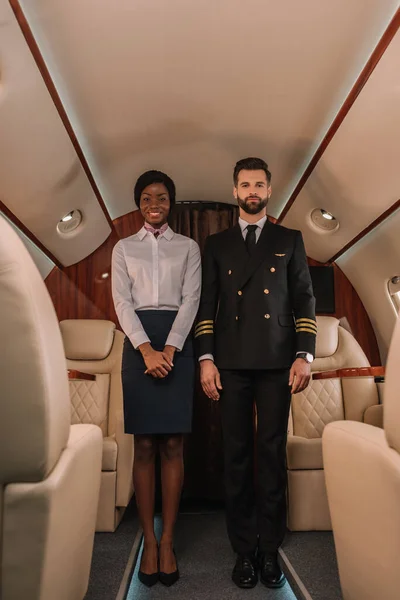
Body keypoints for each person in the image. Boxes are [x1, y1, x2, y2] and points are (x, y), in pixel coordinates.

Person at [196, 157, 316, 589]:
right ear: (234, 191)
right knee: (236, 454)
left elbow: (304, 298)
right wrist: (205, 359)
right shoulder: (218, 243)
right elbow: (206, 304)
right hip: (229, 361)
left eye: (259, 184)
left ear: (269, 190)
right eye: (245, 184)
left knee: (270, 453)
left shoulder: (290, 238)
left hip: (277, 360)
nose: (252, 191)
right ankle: (243, 549)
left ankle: (270, 549)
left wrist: (305, 353)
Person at [112, 170, 201, 587]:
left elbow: (192, 299)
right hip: (138, 345)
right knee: (144, 444)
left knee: (173, 444)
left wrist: (170, 348)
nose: (154, 203)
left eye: (162, 197)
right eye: (147, 197)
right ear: (138, 203)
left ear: (171, 202)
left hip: (177, 347)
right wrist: (146, 349)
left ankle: (168, 541)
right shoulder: (122, 248)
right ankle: (148, 540)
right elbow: (122, 302)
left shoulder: (188, 247)